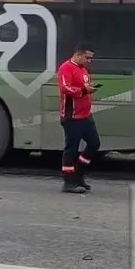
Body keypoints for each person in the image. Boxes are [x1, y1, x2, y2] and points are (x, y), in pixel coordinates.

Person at [57, 43, 101, 193]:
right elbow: (65, 88)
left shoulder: (83, 69)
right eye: (87, 57)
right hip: (72, 117)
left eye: (91, 58)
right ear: (79, 54)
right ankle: (68, 182)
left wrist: (89, 89)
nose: (90, 61)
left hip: (86, 116)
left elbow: (84, 87)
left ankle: (78, 174)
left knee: (94, 144)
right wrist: (84, 91)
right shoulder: (66, 68)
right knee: (71, 149)